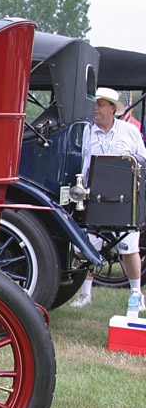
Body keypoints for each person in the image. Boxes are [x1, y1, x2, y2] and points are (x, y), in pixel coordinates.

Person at [71, 87, 146, 309]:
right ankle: (85, 294)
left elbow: (142, 161)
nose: (96, 108)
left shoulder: (129, 131)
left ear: (112, 108)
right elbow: (84, 166)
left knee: (129, 247)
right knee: (85, 247)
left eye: (100, 104)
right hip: (95, 198)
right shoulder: (87, 132)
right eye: (95, 104)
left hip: (124, 200)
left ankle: (136, 293)